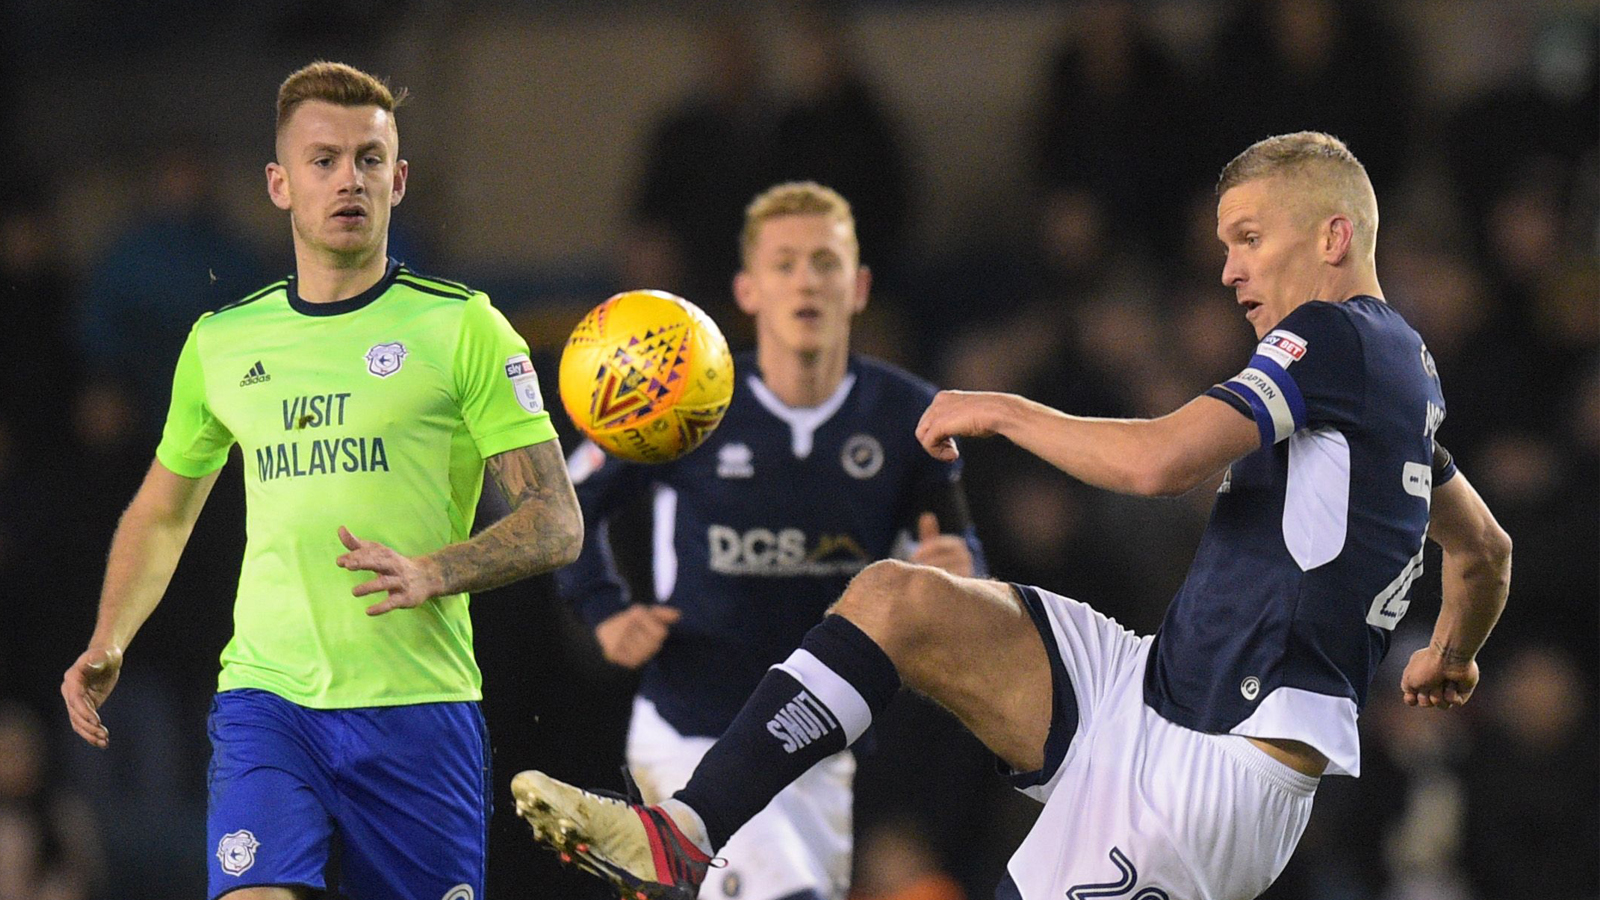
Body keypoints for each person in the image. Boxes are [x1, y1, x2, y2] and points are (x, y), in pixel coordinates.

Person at [510, 131, 1514, 900]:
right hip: (1147, 690)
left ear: (1333, 236)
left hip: (1214, 775)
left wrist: (1002, 408)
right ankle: (682, 836)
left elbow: (1160, 461)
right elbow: (1482, 547)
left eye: (1249, 238)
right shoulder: (1400, 378)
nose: (1228, 270)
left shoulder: (1330, 340)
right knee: (901, 600)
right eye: (1223, 245)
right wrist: (1451, 654)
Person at [59, 61, 583, 900]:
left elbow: (557, 520)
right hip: (269, 700)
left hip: (419, 709)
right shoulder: (223, 342)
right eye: (324, 159)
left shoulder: (465, 328)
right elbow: (163, 512)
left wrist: (434, 570)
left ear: (399, 180)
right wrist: (111, 634)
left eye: (370, 160)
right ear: (279, 184)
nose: (349, 179)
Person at [548, 181, 981, 900]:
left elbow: (961, 554)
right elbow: (567, 503)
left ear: (860, 285)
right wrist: (602, 609)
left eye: (825, 262)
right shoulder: (686, 400)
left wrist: (964, 575)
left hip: (825, 745)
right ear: (747, 290)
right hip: (695, 726)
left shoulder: (910, 416)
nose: (806, 280)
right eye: (784, 264)